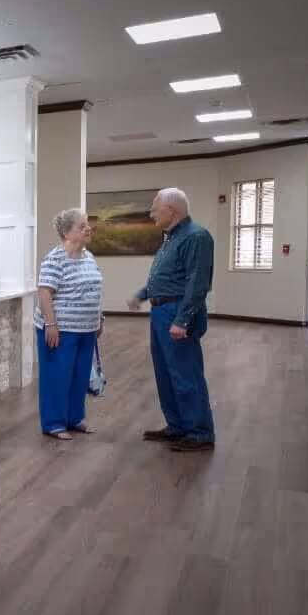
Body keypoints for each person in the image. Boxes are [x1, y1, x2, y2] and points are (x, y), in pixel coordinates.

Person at [127, 187, 216, 452]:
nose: (152, 212)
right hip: (161, 312)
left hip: (177, 313)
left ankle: (199, 432)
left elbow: (197, 283)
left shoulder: (196, 237)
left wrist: (182, 320)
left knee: (185, 373)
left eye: (155, 207)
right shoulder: (171, 238)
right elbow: (166, 277)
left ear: (172, 210)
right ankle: (177, 426)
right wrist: (142, 295)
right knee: (166, 373)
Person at [35, 209, 104, 440]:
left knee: (80, 376)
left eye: (87, 224)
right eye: (82, 226)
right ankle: (53, 423)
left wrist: (98, 318)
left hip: (86, 329)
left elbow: (93, 290)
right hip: (61, 330)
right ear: (66, 232)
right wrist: (51, 324)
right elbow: (44, 293)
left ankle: (74, 419)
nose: (88, 229)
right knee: (58, 376)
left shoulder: (89, 257)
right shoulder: (54, 259)